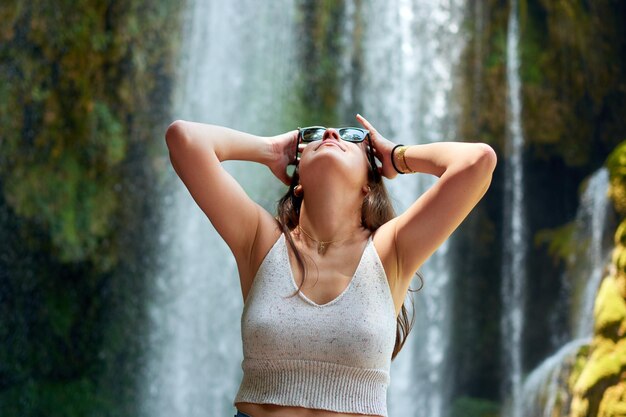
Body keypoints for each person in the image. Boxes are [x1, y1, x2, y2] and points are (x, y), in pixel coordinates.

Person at [165, 114, 497, 417]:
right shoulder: (261, 240)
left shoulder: (390, 250)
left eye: (352, 138)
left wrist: (396, 156)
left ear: (369, 182)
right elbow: (184, 139)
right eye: (311, 138)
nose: (328, 134)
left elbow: (478, 161)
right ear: (297, 180)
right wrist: (270, 150)